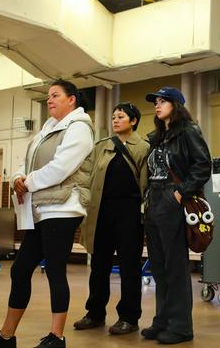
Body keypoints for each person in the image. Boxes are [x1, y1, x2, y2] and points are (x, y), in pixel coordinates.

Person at [0, 79, 94, 348]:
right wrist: (18, 177)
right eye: (48, 96)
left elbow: (61, 167)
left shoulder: (80, 128)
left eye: (55, 95)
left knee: (54, 269)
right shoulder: (47, 129)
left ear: (72, 99)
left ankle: (56, 338)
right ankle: (6, 337)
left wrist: (26, 182)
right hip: (41, 208)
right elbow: (24, 161)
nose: (49, 100)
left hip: (64, 208)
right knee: (20, 270)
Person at [140, 87, 211, 345]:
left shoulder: (188, 132)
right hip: (154, 201)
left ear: (176, 105)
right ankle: (163, 320)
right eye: (156, 102)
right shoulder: (157, 137)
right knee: (158, 266)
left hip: (173, 199)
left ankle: (181, 327)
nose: (157, 106)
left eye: (163, 101)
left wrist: (180, 193)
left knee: (175, 266)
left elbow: (203, 164)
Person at [73, 102, 150, 334]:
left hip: (130, 212)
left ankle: (129, 317)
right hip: (101, 211)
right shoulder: (101, 146)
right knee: (98, 265)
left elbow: (146, 185)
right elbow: (87, 175)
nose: (115, 120)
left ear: (133, 121)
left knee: (129, 267)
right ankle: (95, 313)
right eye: (114, 117)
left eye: (121, 117)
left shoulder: (143, 147)